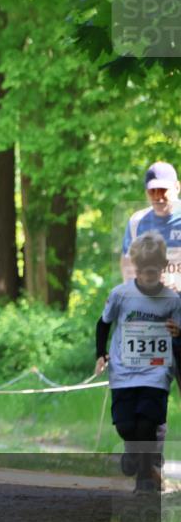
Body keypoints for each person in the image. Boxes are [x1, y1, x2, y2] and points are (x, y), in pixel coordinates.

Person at [97, 231, 181, 493]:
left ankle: (145, 477)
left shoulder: (172, 299)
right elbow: (103, 323)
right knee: (125, 425)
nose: (148, 275)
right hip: (123, 369)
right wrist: (100, 354)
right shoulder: (121, 294)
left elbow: (179, 330)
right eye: (143, 270)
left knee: (147, 423)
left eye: (154, 270)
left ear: (163, 266)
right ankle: (135, 457)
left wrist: (177, 332)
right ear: (135, 267)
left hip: (156, 371)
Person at [120, 161, 181, 480]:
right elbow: (126, 265)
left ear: (177, 188)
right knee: (149, 398)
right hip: (150, 323)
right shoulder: (136, 222)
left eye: (164, 189)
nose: (158, 195)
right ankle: (149, 474)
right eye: (152, 190)